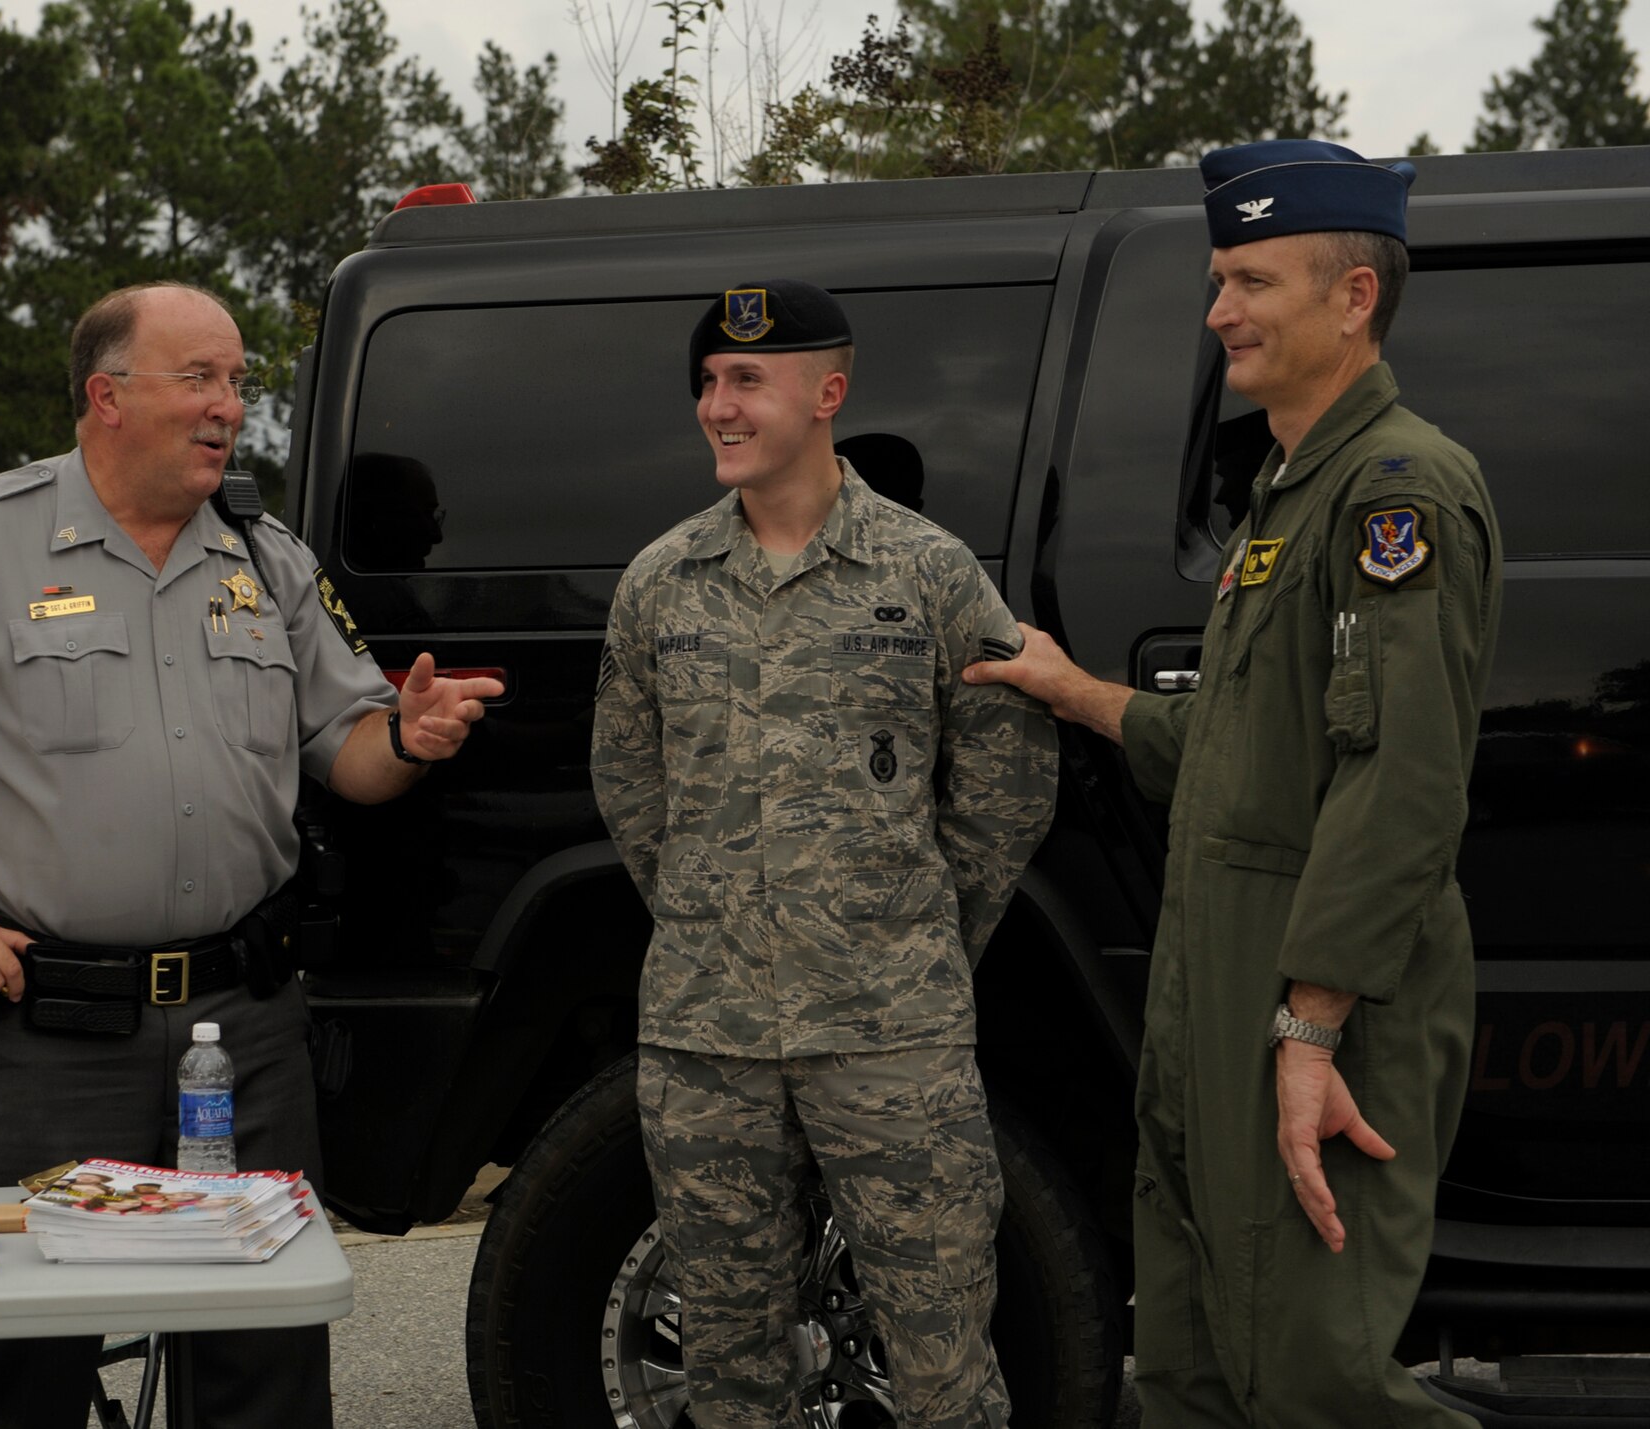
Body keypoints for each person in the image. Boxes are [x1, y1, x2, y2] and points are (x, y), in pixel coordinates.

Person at [0, 280, 503, 1429]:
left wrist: (406, 739)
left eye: (237, 382)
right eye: (201, 378)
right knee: (21, 1380)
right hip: (46, 1039)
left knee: (261, 1374)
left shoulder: (267, 561)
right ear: (106, 396)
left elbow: (350, 751)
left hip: (246, 1032)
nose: (229, 405)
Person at [963, 141, 1502, 1427]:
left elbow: (1403, 782)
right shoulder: (1279, 495)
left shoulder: (1397, 493)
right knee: (1199, 1364)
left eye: (1248, 281)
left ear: (1351, 298)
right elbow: (1240, 746)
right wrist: (1073, 689)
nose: (1216, 314)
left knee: (1315, 1374)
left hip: (1319, 992)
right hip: (1213, 991)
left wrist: (1310, 1025)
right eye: (1217, 281)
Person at [591, 279, 1057, 1429]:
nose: (716, 405)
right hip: (708, 1038)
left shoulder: (927, 573)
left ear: (826, 393)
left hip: (891, 1036)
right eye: (706, 382)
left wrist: (909, 929)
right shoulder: (661, 583)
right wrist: (714, 917)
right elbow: (628, 781)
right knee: (732, 1366)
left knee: (941, 1361)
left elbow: (1005, 781)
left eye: (745, 380)